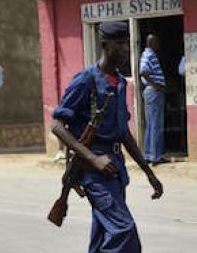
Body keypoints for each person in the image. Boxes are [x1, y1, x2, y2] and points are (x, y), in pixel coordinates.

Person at [51, 21, 163, 253]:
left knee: (102, 235)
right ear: (104, 45)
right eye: (119, 44)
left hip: (115, 170)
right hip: (93, 172)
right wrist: (93, 159)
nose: (125, 49)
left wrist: (148, 171)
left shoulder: (121, 82)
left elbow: (124, 134)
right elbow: (57, 125)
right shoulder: (86, 80)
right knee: (124, 232)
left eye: (127, 44)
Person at [140, 34, 169, 165]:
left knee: (151, 124)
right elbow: (143, 72)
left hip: (151, 92)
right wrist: (155, 85)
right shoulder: (149, 55)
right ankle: (155, 157)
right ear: (152, 43)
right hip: (154, 92)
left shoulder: (148, 54)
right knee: (155, 125)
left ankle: (148, 154)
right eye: (157, 42)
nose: (159, 45)